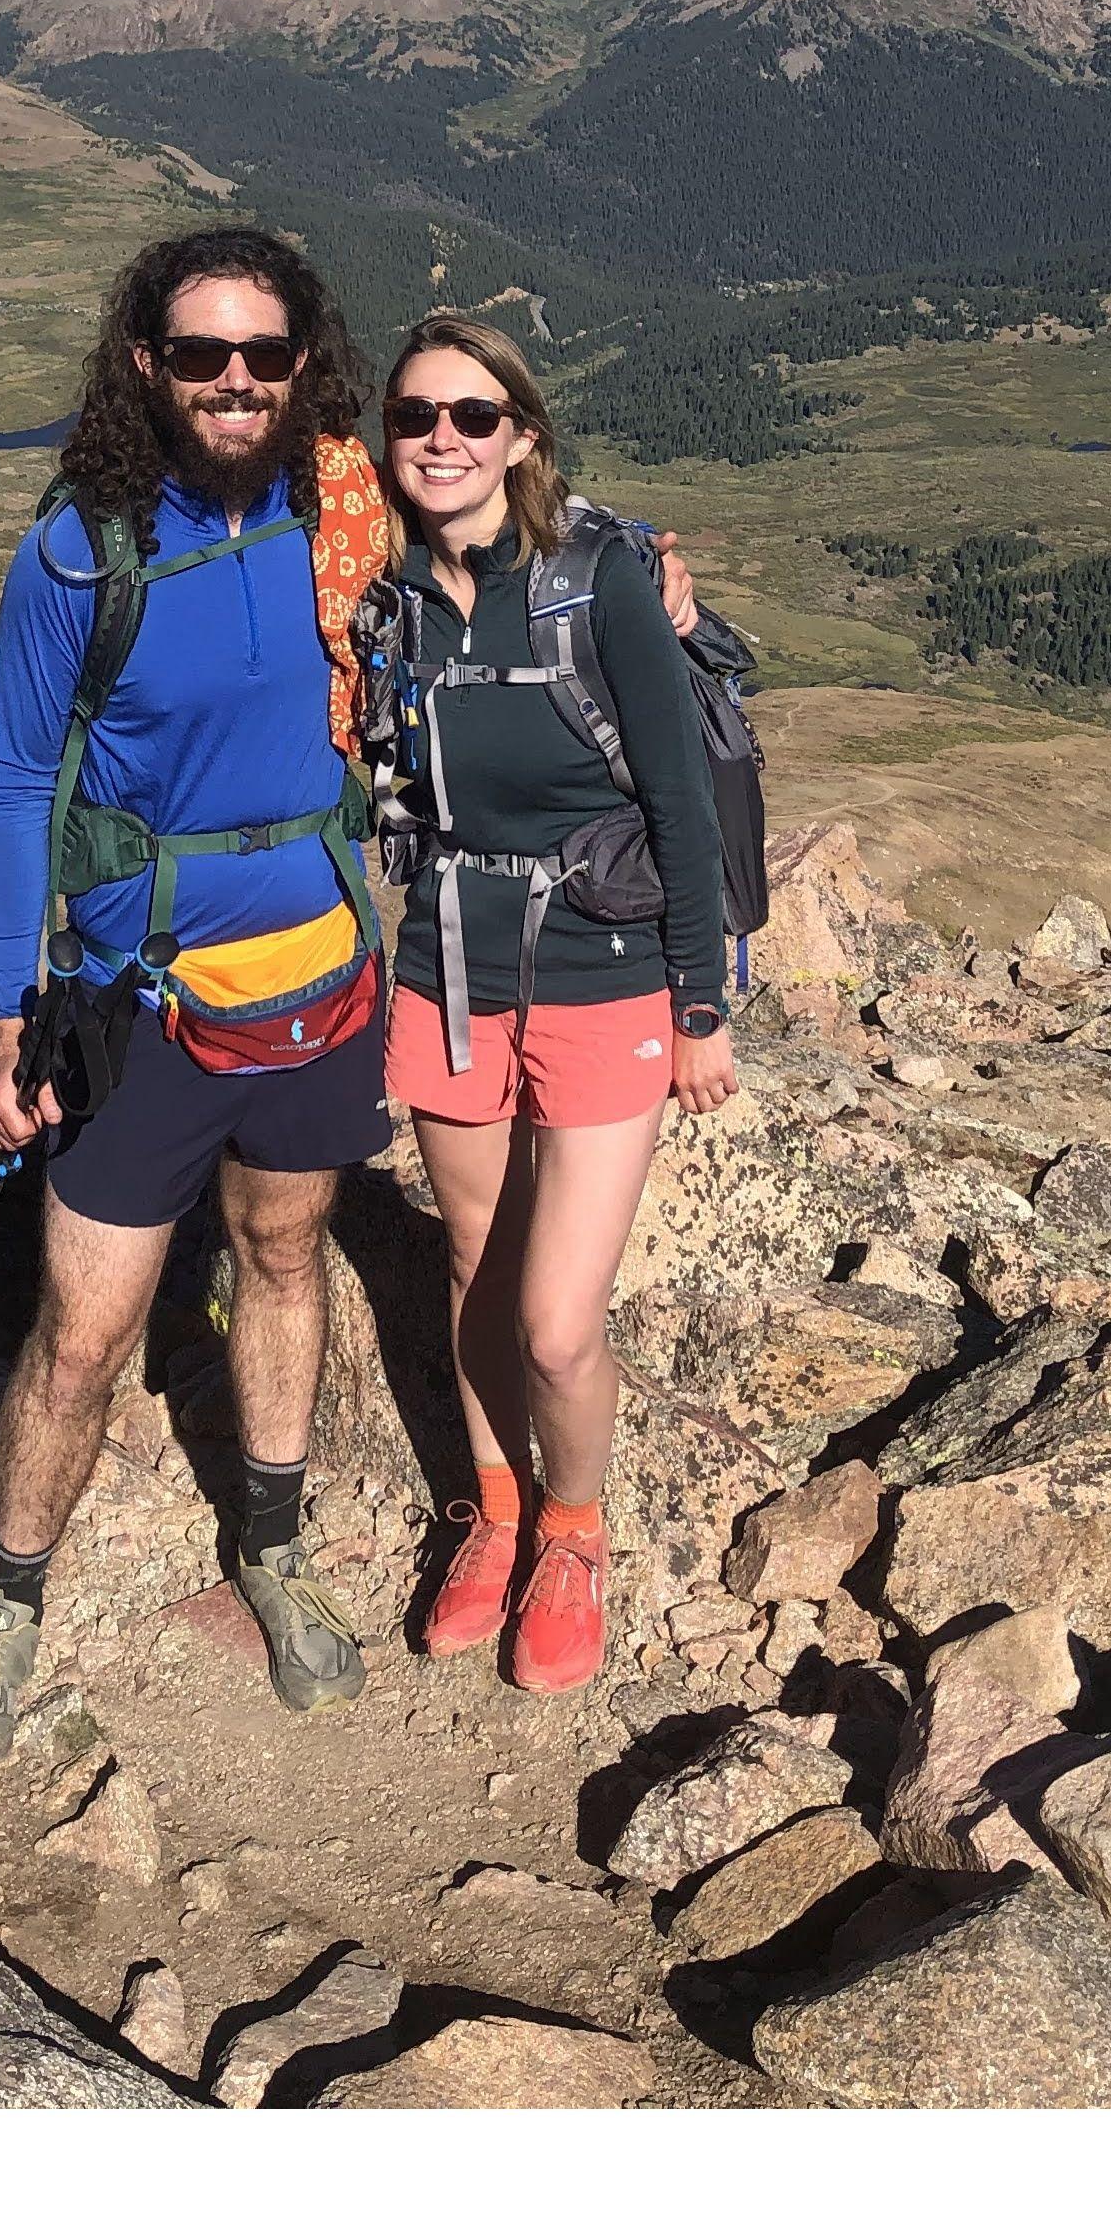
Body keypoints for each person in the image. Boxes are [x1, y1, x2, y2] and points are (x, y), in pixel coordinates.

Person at [0, 225, 402, 1766]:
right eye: (203, 357)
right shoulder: (86, 545)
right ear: (149, 367)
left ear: (305, 359)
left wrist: (642, 574)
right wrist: (9, 1013)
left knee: (282, 1251)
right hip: (143, 1000)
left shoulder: (353, 502)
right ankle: (10, 1602)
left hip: (322, 978)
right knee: (81, 1328)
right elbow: (8, 776)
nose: (238, 384)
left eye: (267, 355)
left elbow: (508, 530)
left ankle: (270, 1544)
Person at [376, 313, 735, 1696]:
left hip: (604, 974)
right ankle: (497, 1507)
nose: (444, 441)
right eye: (417, 419)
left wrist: (702, 1004)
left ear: (521, 433)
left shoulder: (597, 585)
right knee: (471, 1264)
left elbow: (683, 810)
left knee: (554, 1323)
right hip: (448, 972)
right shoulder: (387, 596)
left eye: (474, 416)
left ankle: (574, 1533)